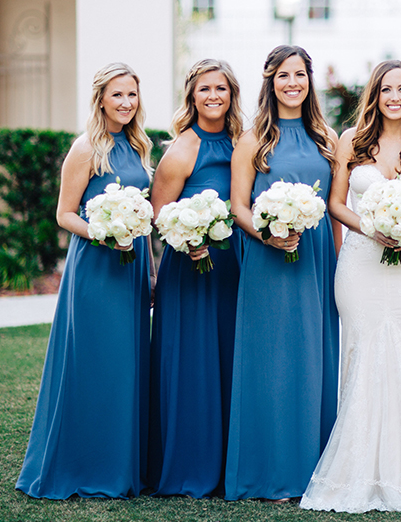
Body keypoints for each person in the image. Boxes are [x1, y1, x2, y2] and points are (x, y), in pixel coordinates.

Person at [301, 60, 401, 513]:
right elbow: (334, 203)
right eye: (386, 89)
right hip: (361, 264)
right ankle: (357, 468)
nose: (394, 97)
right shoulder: (352, 141)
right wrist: (371, 227)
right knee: (363, 352)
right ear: (375, 93)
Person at [16, 63, 153, 499]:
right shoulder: (85, 148)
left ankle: (122, 466)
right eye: (118, 95)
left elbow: (144, 217)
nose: (126, 103)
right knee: (95, 363)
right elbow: (64, 214)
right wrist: (104, 233)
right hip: (96, 268)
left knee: (126, 366)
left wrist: (149, 270)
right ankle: (85, 465)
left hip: (130, 269)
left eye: (132, 95)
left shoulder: (139, 146)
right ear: (101, 99)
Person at [224, 45, 340, 501]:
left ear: (309, 81)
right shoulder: (254, 138)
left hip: (315, 260)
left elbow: (333, 209)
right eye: (283, 76)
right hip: (266, 259)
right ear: (269, 82)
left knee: (312, 360)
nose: (292, 83)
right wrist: (268, 234)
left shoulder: (326, 137)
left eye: (300, 75)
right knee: (269, 362)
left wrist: (336, 264)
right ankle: (265, 470)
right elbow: (238, 206)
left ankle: (312, 468)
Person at [147, 59, 243, 497]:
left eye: (220, 88)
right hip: (191, 270)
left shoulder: (243, 141)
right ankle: (189, 465)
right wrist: (188, 241)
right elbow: (158, 216)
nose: (213, 96)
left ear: (231, 94)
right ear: (192, 96)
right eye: (204, 89)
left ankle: (231, 461)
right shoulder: (183, 149)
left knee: (229, 361)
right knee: (193, 364)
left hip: (232, 270)